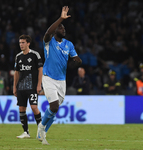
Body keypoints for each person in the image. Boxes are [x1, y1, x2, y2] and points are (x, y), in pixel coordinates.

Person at [37, 6, 82, 145]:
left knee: (54, 111)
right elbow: (47, 32)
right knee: (54, 106)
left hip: (61, 80)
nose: (63, 29)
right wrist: (61, 19)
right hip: (48, 77)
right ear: (56, 30)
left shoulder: (69, 44)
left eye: (64, 28)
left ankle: (43, 133)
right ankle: (41, 127)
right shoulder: (49, 42)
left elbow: (76, 59)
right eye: (61, 28)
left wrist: (77, 61)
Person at [13, 35, 43, 139]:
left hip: (32, 87)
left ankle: (41, 130)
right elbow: (16, 73)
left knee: (34, 107)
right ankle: (26, 132)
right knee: (21, 109)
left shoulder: (35, 55)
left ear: (28, 43)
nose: (21, 44)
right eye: (20, 42)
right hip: (21, 87)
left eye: (23, 42)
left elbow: (40, 70)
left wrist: (39, 84)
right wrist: (14, 87)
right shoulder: (18, 56)